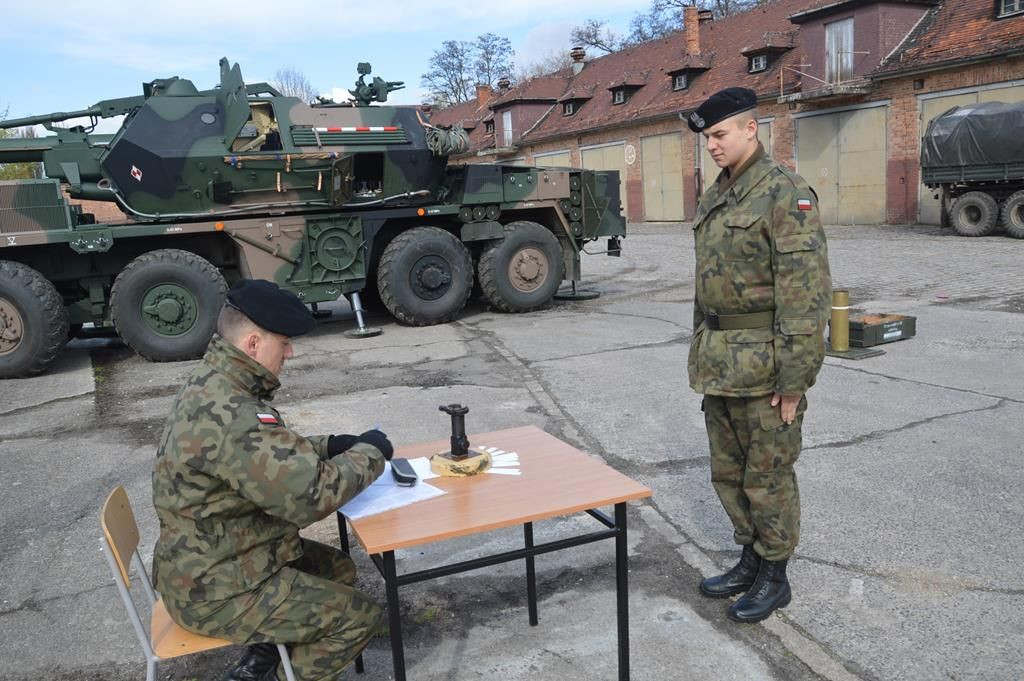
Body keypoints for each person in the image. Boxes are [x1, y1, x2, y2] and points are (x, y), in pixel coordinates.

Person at [152, 279, 392, 681]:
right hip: (214, 589)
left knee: (337, 569)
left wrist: (329, 445)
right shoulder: (235, 414)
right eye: (283, 342)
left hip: (209, 560)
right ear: (252, 344)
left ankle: (260, 661)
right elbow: (309, 496)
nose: (290, 352)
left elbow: (266, 458)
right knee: (359, 617)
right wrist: (371, 453)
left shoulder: (215, 384)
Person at [686, 87, 831, 623]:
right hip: (721, 361)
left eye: (720, 135)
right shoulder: (719, 194)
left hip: (767, 367)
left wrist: (795, 380)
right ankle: (749, 557)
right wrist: (699, 351)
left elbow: (805, 295)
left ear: (752, 129)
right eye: (707, 139)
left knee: (767, 476)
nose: (712, 146)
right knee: (727, 473)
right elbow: (707, 291)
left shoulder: (784, 193)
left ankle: (776, 574)